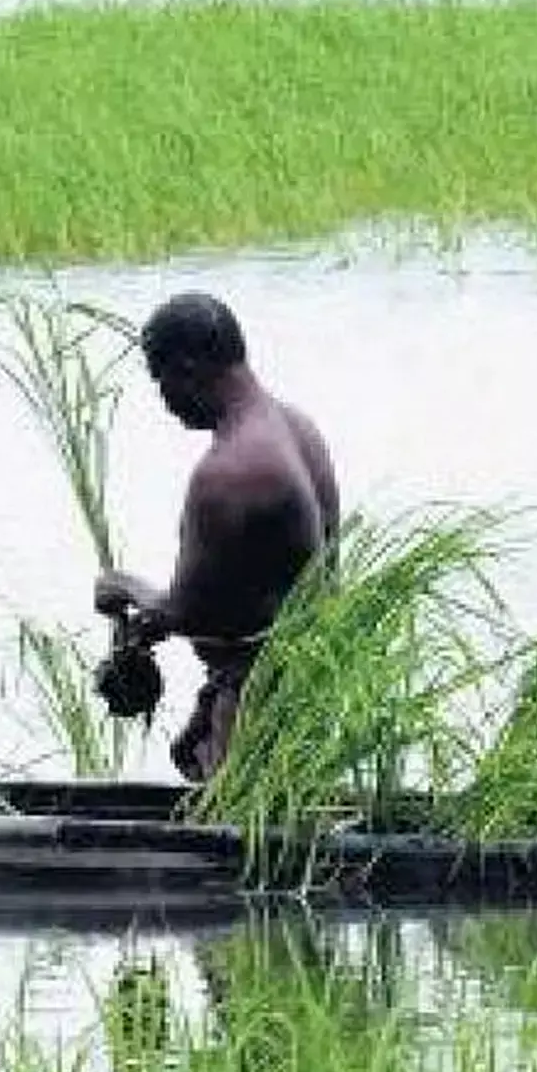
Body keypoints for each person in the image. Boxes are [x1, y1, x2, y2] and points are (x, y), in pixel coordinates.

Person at [94, 293, 339, 783]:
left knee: (239, 842)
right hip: (309, 686)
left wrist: (123, 587)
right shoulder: (296, 428)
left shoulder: (230, 472)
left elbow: (187, 611)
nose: (164, 402)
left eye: (160, 382)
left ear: (186, 369)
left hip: (262, 704)